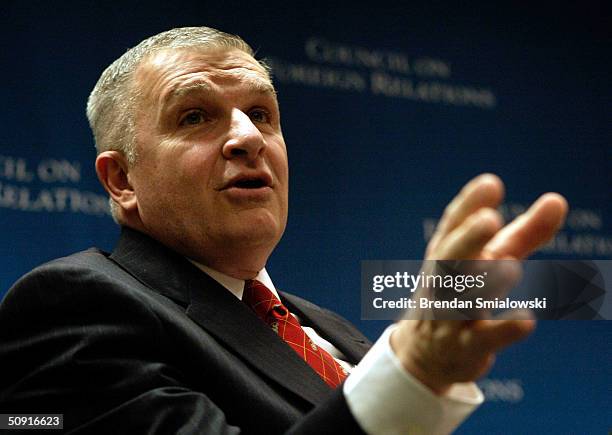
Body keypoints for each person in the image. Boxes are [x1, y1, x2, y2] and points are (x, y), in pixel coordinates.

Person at [0, 27, 568, 434]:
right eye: (195, 116)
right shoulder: (75, 305)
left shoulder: (328, 328)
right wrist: (412, 373)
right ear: (122, 179)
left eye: (263, 114)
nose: (247, 136)